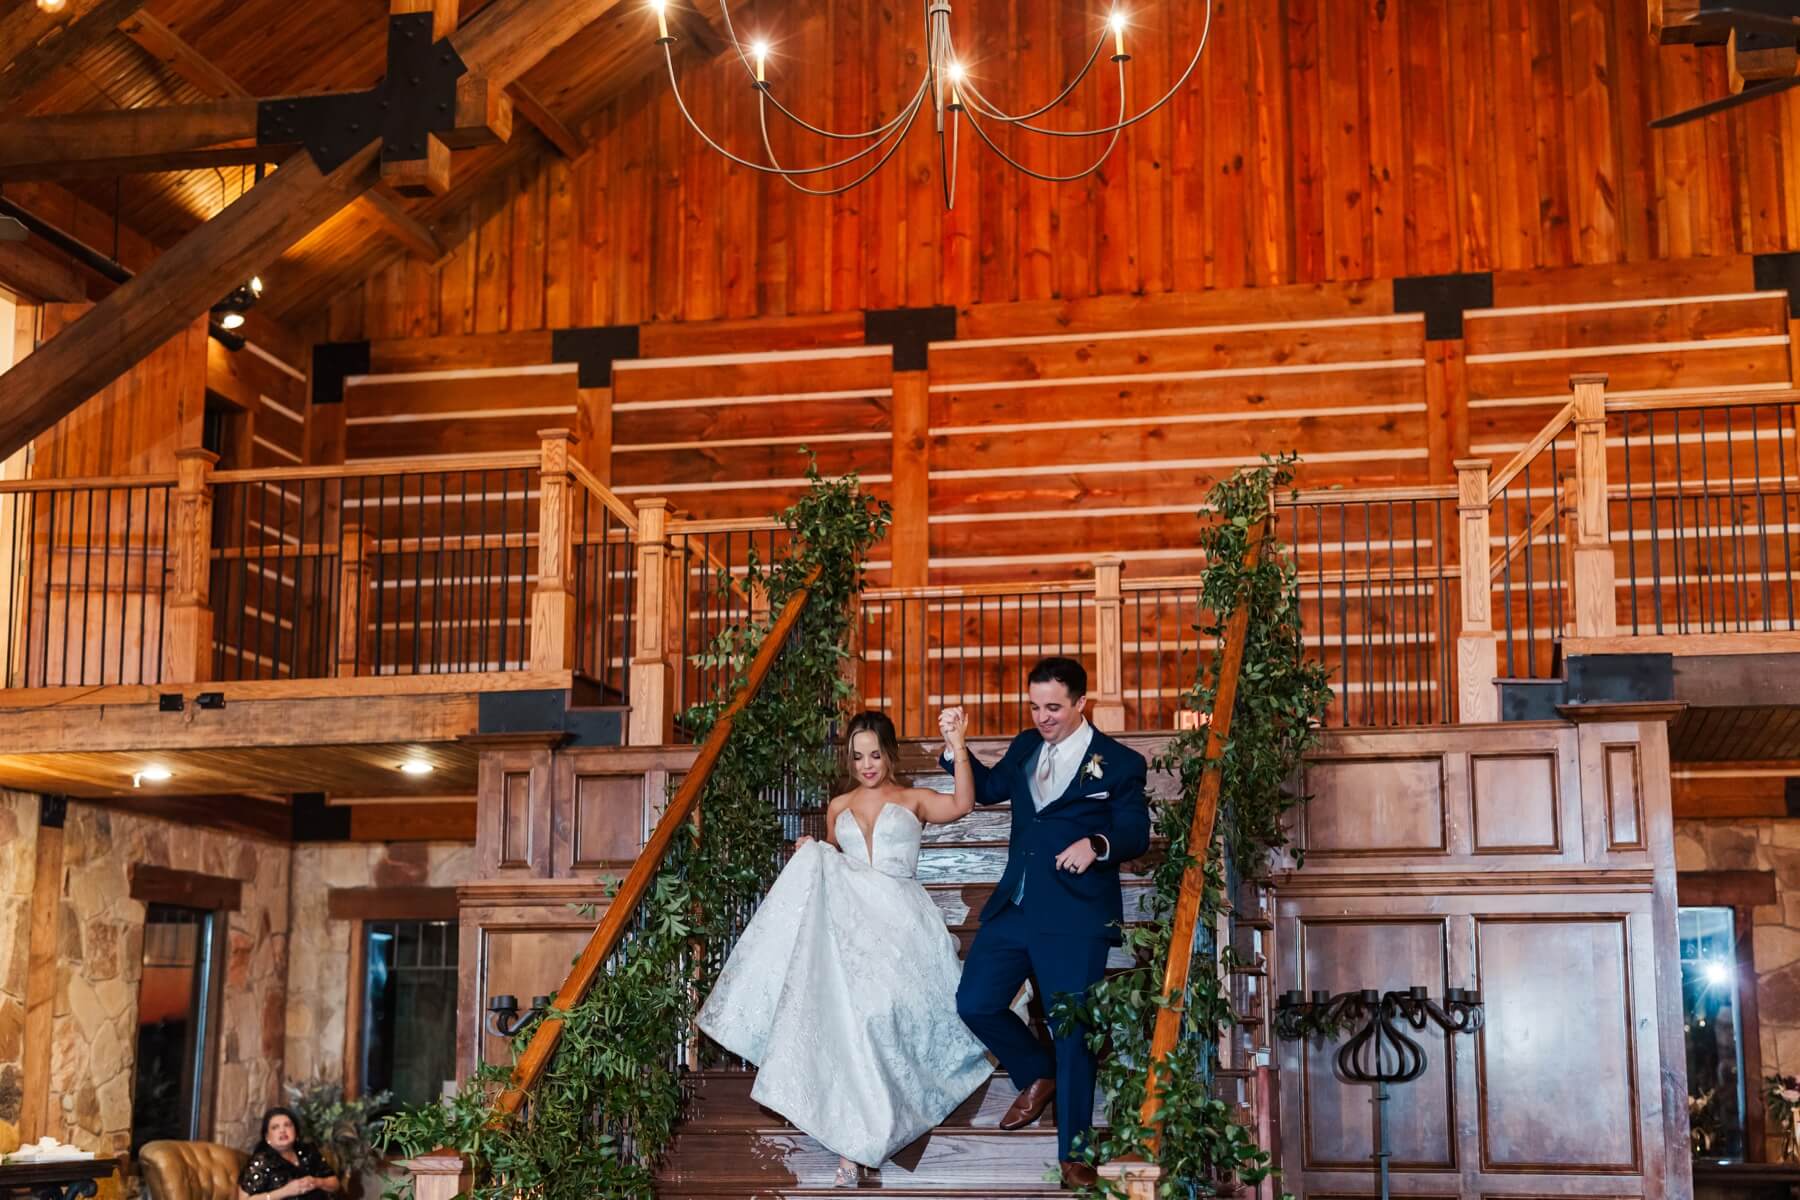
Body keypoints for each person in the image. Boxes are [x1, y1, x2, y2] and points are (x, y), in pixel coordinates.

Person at [697, 709, 994, 1187]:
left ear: (889, 754)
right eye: (858, 757)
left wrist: (958, 744)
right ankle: (849, 1150)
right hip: (854, 930)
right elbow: (832, 866)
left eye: (875, 754)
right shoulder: (838, 806)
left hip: (903, 927)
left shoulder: (913, 799)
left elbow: (962, 804)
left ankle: (871, 1133)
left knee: (880, 1016)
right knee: (846, 1025)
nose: (867, 765)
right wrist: (811, 850)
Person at [941, 656, 1150, 1190]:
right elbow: (987, 790)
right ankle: (1038, 1070)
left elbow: (1135, 834)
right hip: (1015, 908)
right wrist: (957, 747)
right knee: (976, 1002)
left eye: (1054, 707)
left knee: (1073, 1030)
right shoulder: (1026, 746)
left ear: (1082, 703)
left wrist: (1097, 845)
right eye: (1035, 706)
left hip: (1076, 917)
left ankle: (1075, 1153)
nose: (1043, 717)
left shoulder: (1120, 763)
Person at [236, 1107, 339, 1200]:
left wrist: (316, 1182)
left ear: (295, 1131)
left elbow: (335, 1184)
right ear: (267, 1137)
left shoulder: (307, 1151)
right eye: (275, 1127)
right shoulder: (262, 1161)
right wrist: (285, 1191)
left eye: (287, 1125)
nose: (282, 1130)